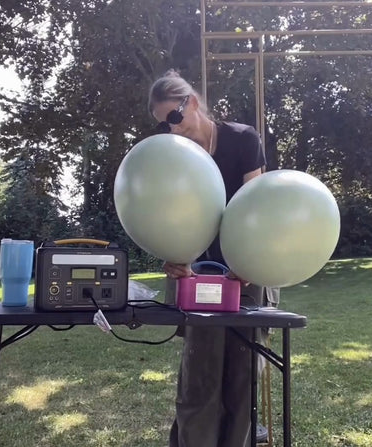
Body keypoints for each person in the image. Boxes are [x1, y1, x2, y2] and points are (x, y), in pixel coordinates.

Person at [148, 69, 276, 447]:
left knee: (241, 381)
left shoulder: (242, 139)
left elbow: (258, 207)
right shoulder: (175, 156)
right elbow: (170, 216)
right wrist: (175, 256)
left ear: (192, 102)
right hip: (200, 277)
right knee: (199, 380)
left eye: (174, 117)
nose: (172, 130)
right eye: (163, 125)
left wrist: (248, 261)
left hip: (248, 272)